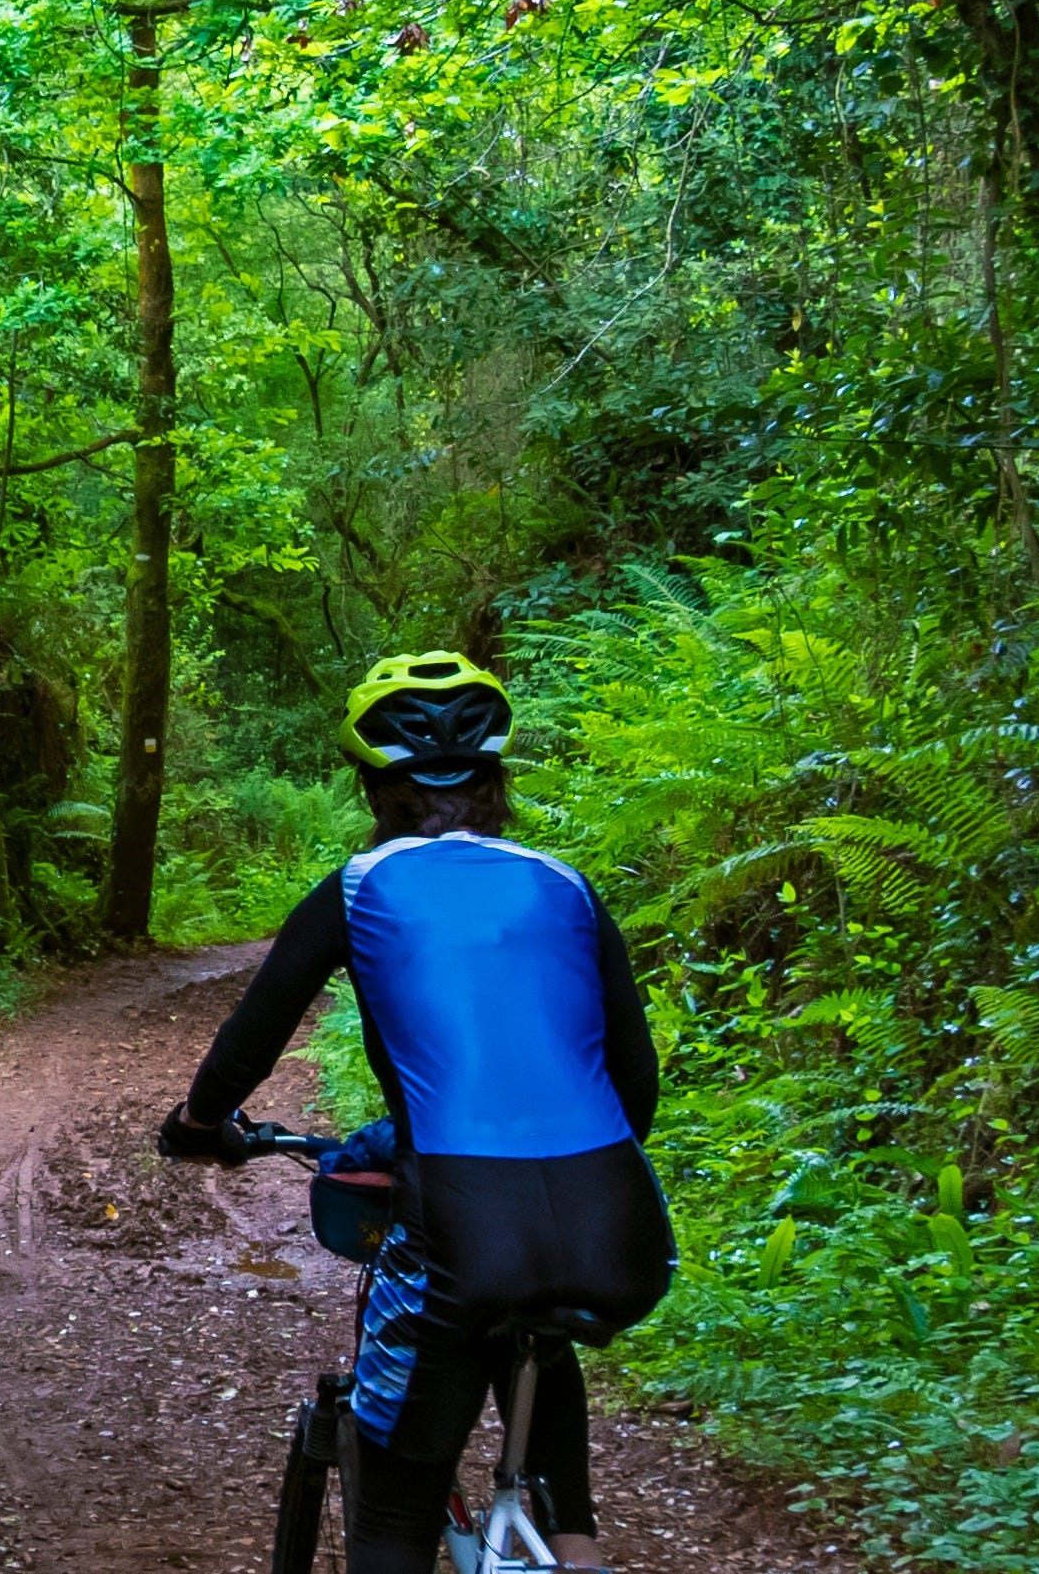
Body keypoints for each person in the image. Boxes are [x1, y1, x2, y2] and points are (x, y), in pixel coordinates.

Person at [154, 651, 673, 1574]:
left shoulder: (362, 884)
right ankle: (578, 1545)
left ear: (371, 783)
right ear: (496, 779)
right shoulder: (567, 884)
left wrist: (200, 1126)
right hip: (620, 1224)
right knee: (540, 1345)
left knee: (395, 1512)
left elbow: (252, 1036)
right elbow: (635, 1088)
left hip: (462, 1228)